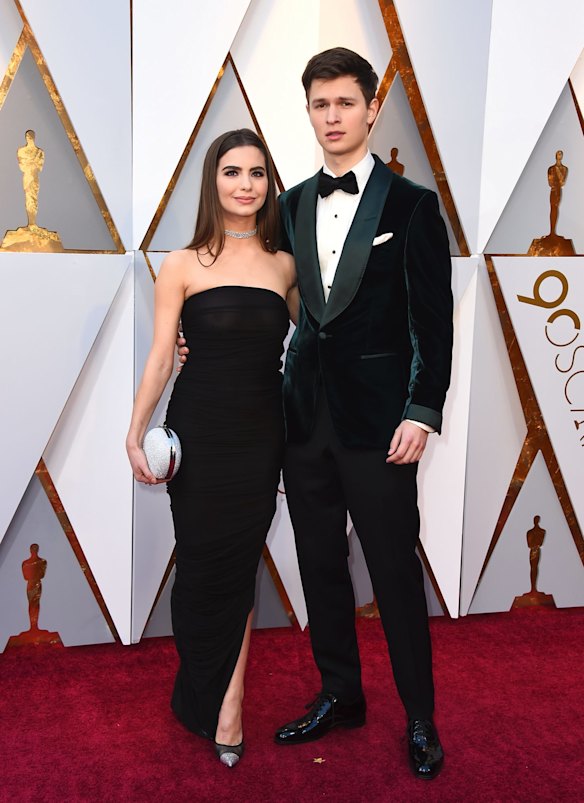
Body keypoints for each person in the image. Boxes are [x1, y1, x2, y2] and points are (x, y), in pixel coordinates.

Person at [179, 48, 453, 780]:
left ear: (371, 108)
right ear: (308, 113)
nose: (331, 116)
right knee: (319, 565)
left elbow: (435, 320)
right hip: (301, 423)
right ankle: (341, 693)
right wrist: (196, 336)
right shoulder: (292, 201)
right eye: (318, 104)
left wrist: (421, 410)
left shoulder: (414, 206)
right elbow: (272, 298)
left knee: (394, 569)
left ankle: (420, 714)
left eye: (343, 103)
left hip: (382, 425)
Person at [127, 128, 296, 768]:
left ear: (268, 183)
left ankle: (229, 707)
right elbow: (161, 357)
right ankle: (201, 690)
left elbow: (311, 346)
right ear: (213, 181)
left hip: (260, 436)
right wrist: (134, 430)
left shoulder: (285, 264)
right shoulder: (180, 262)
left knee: (237, 568)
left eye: (257, 173)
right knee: (200, 572)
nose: (246, 185)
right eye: (232, 172)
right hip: (197, 433)